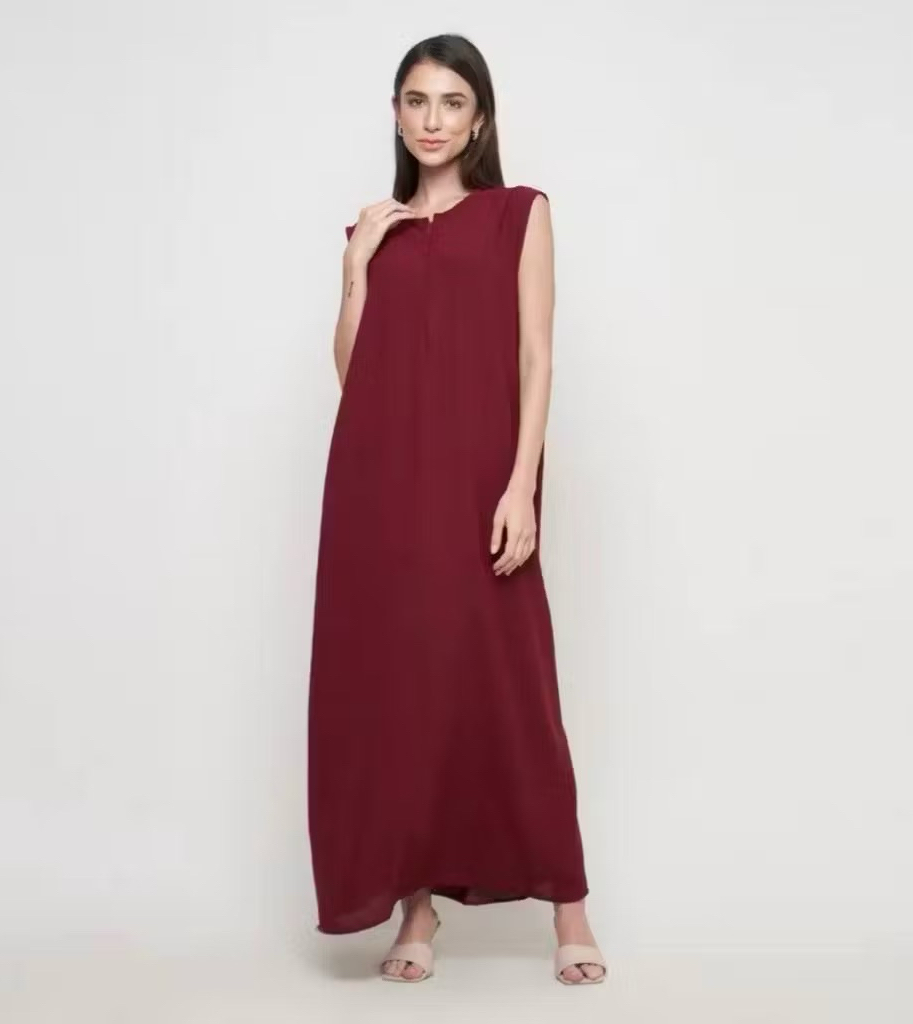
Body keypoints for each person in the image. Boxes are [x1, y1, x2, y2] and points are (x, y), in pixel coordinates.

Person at [307, 34, 608, 986]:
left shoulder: (521, 213)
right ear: (396, 115)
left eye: (451, 102)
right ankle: (418, 909)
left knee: (513, 684)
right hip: (382, 489)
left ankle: (569, 907)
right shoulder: (375, 229)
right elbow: (353, 375)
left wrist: (522, 483)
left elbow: (537, 355)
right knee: (407, 690)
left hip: (481, 481)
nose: (431, 120)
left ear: (479, 119)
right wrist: (358, 264)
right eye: (415, 101)